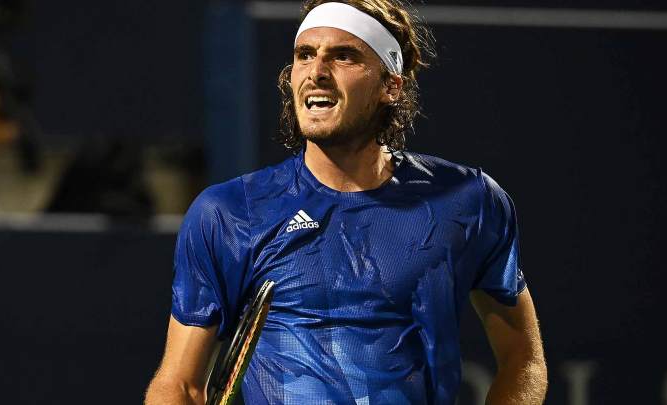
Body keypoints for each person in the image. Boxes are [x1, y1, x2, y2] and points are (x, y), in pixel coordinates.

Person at [145, 1, 547, 404]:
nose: (316, 72)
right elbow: (179, 384)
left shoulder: (469, 199)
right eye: (305, 55)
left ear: (391, 86)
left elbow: (523, 357)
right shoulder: (229, 212)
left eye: (343, 56)